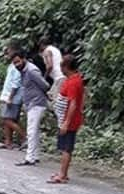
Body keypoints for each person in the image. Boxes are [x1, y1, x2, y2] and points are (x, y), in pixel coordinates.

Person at [50, 54, 85, 184]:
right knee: (63, 146)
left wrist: (66, 122)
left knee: (66, 148)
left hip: (69, 121)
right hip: (65, 119)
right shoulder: (72, 79)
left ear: (66, 67)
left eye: (61, 66)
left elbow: (73, 103)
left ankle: (63, 175)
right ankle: (62, 172)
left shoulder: (74, 82)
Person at [12, 49, 49, 166]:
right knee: (35, 131)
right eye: (14, 63)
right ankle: (35, 156)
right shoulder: (23, 71)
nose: (16, 65)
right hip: (31, 103)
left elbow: (45, 85)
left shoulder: (32, 70)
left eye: (18, 62)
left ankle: (29, 158)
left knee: (31, 131)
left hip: (37, 103)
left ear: (24, 59)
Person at [0, 44, 25, 150]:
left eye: (8, 52)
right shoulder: (11, 65)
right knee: (7, 119)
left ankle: (25, 137)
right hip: (7, 95)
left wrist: (10, 97)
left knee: (7, 119)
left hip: (13, 97)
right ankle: (8, 142)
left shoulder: (17, 66)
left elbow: (16, 83)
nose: (6, 54)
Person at [39, 37, 65, 102]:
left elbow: (50, 66)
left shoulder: (47, 51)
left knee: (55, 100)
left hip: (59, 78)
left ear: (42, 45)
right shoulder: (55, 49)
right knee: (50, 94)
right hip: (61, 77)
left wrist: (44, 78)